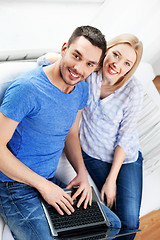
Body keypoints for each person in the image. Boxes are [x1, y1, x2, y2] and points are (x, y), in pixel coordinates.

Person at [0, 25, 121, 240]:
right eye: (76, 56)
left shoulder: (81, 89)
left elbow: (71, 135)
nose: (79, 69)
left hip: (49, 182)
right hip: (13, 187)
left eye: (89, 64)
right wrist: (44, 186)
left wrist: (82, 175)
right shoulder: (27, 89)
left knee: (111, 225)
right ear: (64, 48)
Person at [38, 33, 144, 240]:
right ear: (106, 51)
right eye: (115, 54)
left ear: (131, 68)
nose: (117, 64)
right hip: (93, 154)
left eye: (127, 63)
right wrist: (59, 58)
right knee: (111, 216)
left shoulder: (133, 90)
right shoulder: (89, 74)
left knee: (130, 222)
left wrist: (111, 180)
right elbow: (47, 59)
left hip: (126, 157)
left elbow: (125, 137)